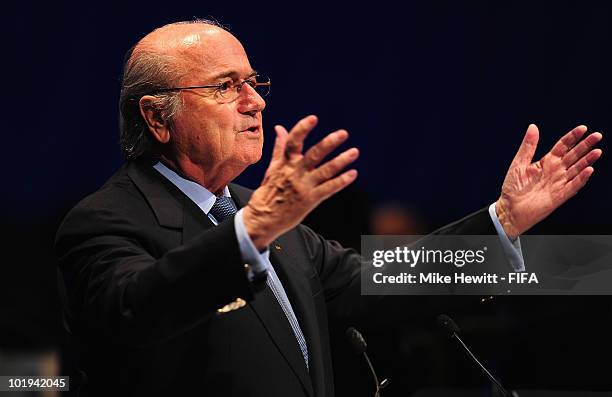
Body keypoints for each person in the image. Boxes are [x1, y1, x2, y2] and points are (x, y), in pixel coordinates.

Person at [54, 19, 603, 396]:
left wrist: (503, 223)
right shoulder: (106, 221)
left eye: (253, 82)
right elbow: (136, 311)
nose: (257, 102)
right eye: (226, 87)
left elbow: (379, 281)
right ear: (157, 117)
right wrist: (258, 226)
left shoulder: (271, 219)